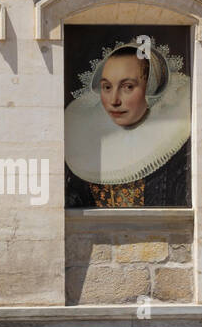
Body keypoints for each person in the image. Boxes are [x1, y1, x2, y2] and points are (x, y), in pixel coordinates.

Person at [65, 39, 191, 208]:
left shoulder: (180, 148)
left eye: (128, 87)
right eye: (107, 87)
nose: (114, 100)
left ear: (151, 88)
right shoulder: (83, 142)